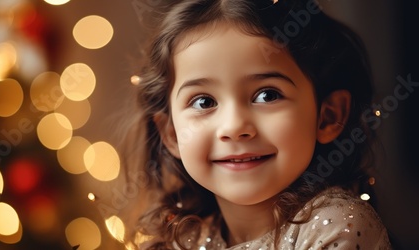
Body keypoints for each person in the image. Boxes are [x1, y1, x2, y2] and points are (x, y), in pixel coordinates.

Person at [119, 0, 392, 249]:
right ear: (171, 134)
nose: (234, 127)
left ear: (328, 116)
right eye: (204, 102)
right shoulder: (183, 238)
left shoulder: (337, 228)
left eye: (267, 95)